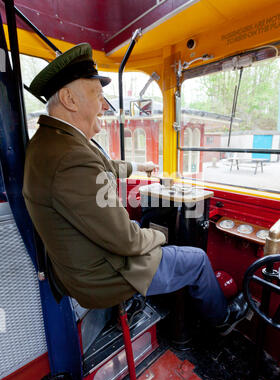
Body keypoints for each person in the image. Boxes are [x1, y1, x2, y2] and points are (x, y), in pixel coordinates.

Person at [23, 43, 249, 336]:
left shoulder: (51, 141)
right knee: (196, 259)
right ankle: (222, 319)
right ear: (69, 99)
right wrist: (160, 236)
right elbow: (127, 242)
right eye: (98, 96)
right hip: (102, 275)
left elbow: (103, 165)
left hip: (79, 264)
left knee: (144, 228)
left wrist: (140, 167)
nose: (104, 106)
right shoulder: (71, 157)